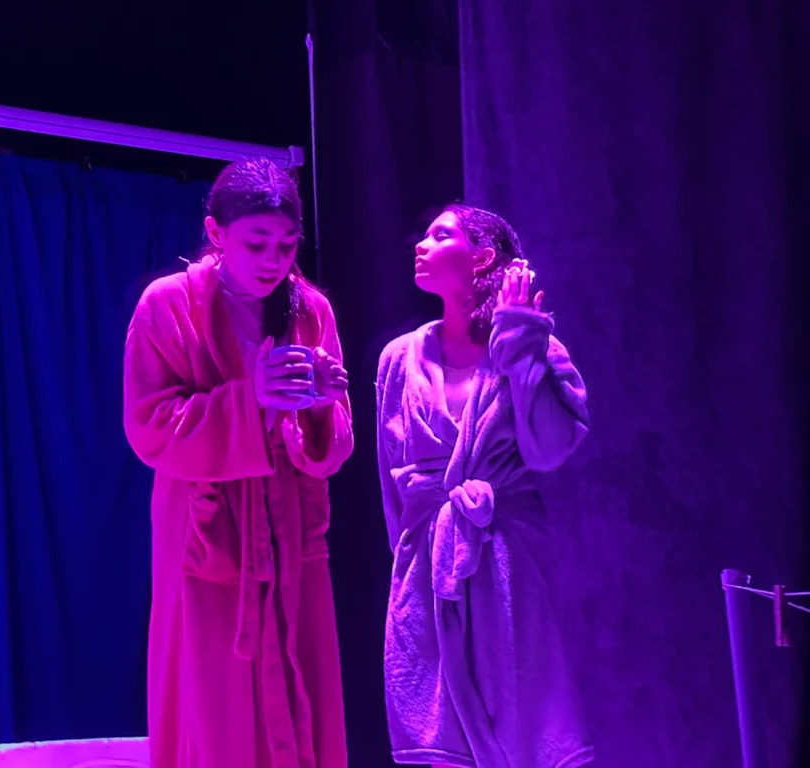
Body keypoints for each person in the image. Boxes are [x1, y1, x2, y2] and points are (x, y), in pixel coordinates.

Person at [123, 158, 353, 768]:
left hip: (291, 533)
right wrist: (250, 399)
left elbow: (330, 447)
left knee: (304, 684)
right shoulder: (168, 306)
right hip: (206, 536)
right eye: (256, 242)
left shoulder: (310, 310)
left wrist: (320, 406)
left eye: (287, 244)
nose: (273, 259)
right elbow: (150, 426)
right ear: (216, 232)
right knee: (212, 703)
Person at [375, 204, 594, 768]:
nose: (421, 245)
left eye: (440, 235)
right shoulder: (398, 359)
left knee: (525, 720)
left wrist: (520, 344)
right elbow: (391, 483)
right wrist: (408, 561)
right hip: (426, 566)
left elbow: (549, 449)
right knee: (438, 733)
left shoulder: (532, 343)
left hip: (509, 563)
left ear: (482, 256)